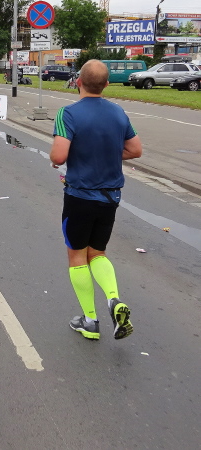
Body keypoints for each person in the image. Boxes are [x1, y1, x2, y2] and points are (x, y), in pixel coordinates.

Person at [49, 59, 142, 341]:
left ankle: (90, 321)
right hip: (110, 197)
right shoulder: (118, 112)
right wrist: (107, 153)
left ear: (78, 81)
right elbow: (135, 150)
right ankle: (114, 299)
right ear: (107, 84)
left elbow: (58, 156)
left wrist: (72, 154)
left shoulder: (68, 113)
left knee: (77, 256)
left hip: (79, 196)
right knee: (98, 253)